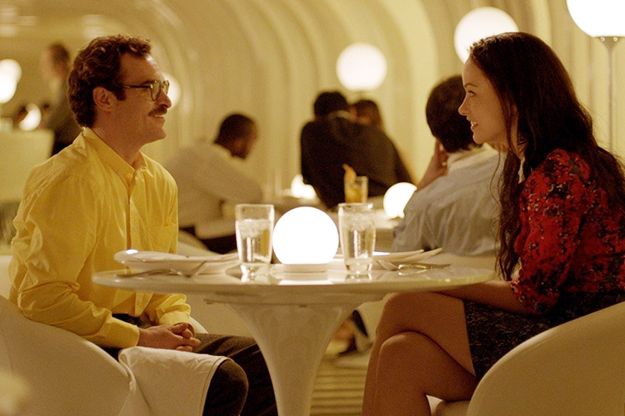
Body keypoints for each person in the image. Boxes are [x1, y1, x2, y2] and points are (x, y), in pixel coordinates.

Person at [9, 35, 276, 416]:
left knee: (263, 362)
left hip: (139, 333)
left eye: (162, 87)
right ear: (105, 99)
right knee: (225, 379)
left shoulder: (158, 180)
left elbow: (162, 287)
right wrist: (138, 336)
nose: (165, 101)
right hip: (80, 346)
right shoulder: (70, 180)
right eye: (150, 89)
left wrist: (179, 328)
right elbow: (42, 298)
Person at [362, 31, 625, 416]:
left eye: (472, 93)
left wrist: (444, 282)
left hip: (576, 342)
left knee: (405, 304)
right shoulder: (544, 165)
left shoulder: (559, 172)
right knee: (401, 358)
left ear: (512, 96)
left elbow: (535, 297)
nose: (462, 109)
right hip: (570, 333)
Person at [392, 75, 501, 255]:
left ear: (436, 135)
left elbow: (399, 255)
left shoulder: (427, 203)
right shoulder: (518, 172)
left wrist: (422, 187)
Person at [165, 113, 262, 254]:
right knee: (264, 227)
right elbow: (253, 194)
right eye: (254, 139)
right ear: (239, 141)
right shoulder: (206, 160)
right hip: (187, 231)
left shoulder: (197, 152)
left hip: (180, 227)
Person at [300, 91, 414, 209]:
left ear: (315, 116)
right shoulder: (378, 134)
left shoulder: (310, 132)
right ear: (351, 111)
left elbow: (308, 178)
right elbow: (405, 178)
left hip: (345, 210)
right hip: (387, 206)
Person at [39, 42, 81, 155]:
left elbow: (52, 122)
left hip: (66, 148)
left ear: (59, 65)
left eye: (45, 63)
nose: (42, 68)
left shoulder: (68, 88)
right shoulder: (64, 87)